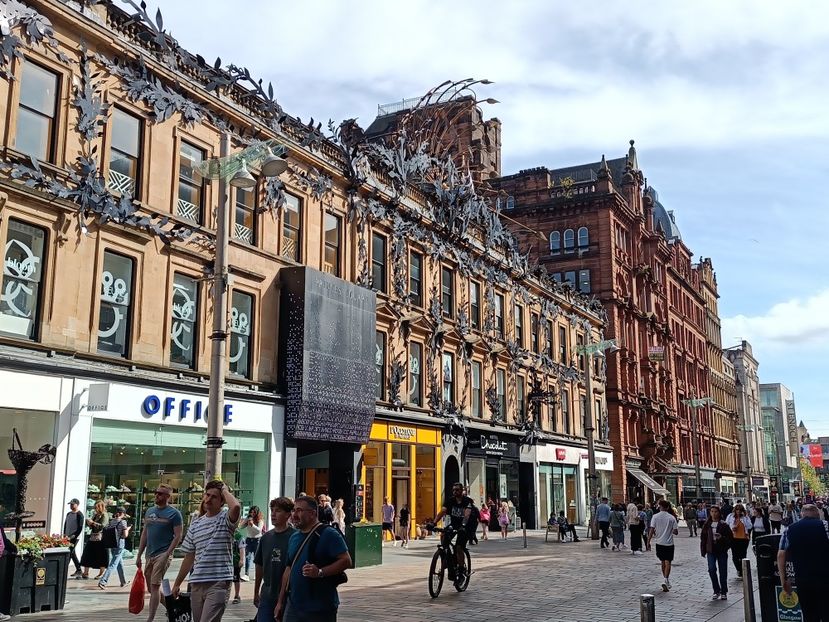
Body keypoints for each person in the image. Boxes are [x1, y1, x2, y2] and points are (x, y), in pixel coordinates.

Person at [274, 495, 352, 622]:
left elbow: (346, 560)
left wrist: (320, 572)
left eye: (299, 510)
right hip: (294, 606)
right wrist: (280, 601)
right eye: (294, 510)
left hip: (320, 607)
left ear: (312, 513)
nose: (294, 515)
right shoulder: (294, 537)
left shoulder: (329, 534)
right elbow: (289, 568)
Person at [172, 480, 241, 622]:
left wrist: (225, 490)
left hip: (219, 582)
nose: (208, 499)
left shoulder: (225, 519)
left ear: (222, 501)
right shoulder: (196, 522)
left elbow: (235, 507)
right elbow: (189, 557)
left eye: (214, 496)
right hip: (196, 583)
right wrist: (177, 583)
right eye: (207, 495)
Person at [135, 483, 183, 622]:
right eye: (156, 492)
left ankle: (150, 619)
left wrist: (168, 554)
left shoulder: (175, 514)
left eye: (160, 493)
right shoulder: (150, 511)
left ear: (168, 496)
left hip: (163, 554)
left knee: (155, 586)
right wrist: (139, 555)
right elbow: (145, 534)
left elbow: (178, 535)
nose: (156, 495)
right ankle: (172, 607)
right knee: (151, 588)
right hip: (149, 554)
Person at [777, 504, 829, 621]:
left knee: (809, 614)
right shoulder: (826, 526)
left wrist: (783, 580)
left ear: (801, 514)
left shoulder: (789, 529)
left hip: (803, 579)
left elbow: (780, 555)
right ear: (817, 513)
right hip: (825, 578)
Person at [254, 497, 295, 622]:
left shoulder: (295, 537)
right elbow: (259, 566)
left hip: (289, 594)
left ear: (288, 514)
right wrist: (256, 591)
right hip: (267, 592)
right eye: (272, 510)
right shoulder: (266, 537)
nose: (273, 514)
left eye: (278, 511)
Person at [433, 483, 477, 575]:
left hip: (466, 527)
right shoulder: (451, 501)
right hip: (454, 524)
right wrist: (434, 523)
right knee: (444, 534)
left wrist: (463, 525)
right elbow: (443, 511)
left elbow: (467, 515)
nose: (455, 492)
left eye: (457, 490)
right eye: (453, 490)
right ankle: (446, 557)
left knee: (459, 547)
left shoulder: (467, 501)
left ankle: (461, 570)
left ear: (462, 491)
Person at [700, 505, 733, 600]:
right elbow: (703, 538)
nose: (714, 513)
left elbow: (730, 539)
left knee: (723, 571)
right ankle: (716, 589)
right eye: (712, 511)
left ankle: (724, 591)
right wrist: (703, 550)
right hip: (711, 550)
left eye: (715, 511)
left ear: (719, 513)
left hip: (721, 550)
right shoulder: (707, 524)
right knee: (711, 569)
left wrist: (721, 538)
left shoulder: (723, 524)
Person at [647, 499, 679, 593]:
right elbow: (676, 531)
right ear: (668, 507)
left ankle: (665, 578)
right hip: (669, 543)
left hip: (659, 542)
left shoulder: (655, 517)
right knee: (668, 561)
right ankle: (666, 579)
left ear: (659, 506)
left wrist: (648, 541)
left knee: (662, 561)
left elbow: (651, 529)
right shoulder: (671, 518)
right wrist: (671, 530)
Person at [98, 507, 130, 589]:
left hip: (112, 544)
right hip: (120, 544)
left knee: (119, 562)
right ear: (122, 514)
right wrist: (128, 529)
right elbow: (125, 535)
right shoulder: (123, 522)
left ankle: (123, 582)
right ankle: (103, 581)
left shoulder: (111, 521)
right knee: (113, 563)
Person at [80, 500, 109, 580]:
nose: (95, 509)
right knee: (87, 553)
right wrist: (89, 523)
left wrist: (92, 523)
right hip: (93, 537)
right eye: (94, 507)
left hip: (101, 539)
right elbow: (92, 526)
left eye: (96, 507)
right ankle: (86, 572)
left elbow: (102, 526)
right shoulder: (95, 515)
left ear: (100, 507)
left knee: (101, 556)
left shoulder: (105, 515)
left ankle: (101, 573)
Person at [726, 503, 752, 578]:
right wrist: (732, 528)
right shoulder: (730, 516)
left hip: (743, 538)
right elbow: (726, 525)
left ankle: (743, 570)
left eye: (740, 510)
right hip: (734, 538)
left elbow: (750, 526)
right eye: (737, 510)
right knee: (735, 556)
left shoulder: (745, 517)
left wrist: (745, 517)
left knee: (743, 555)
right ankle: (739, 569)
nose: (738, 511)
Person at [241, 506, 264, 582]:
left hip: (257, 539)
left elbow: (259, 530)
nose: (252, 513)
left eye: (254, 512)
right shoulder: (248, 519)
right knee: (247, 557)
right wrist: (245, 521)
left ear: (257, 513)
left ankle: (257, 574)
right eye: (251, 512)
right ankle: (246, 574)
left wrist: (252, 525)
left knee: (257, 558)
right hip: (249, 539)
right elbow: (241, 527)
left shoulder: (260, 520)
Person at [63, 498, 85, 577]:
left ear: (77, 505)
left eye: (73, 504)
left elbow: (80, 527)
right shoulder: (68, 514)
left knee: (70, 552)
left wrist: (74, 536)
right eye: (70, 504)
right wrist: (64, 534)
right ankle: (78, 570)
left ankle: (64, 570)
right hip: (67, 536)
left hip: (74, 537)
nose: (71, 506)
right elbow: (66, 525)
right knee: (72, 553)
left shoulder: (80, 515)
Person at [231, 527, 245, 604]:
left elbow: (242, 548)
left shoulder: (239, 536)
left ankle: (237, 595)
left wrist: (241, 559)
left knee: (236, 578)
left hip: (235, 561)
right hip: (227, 561)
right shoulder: (226, 533)